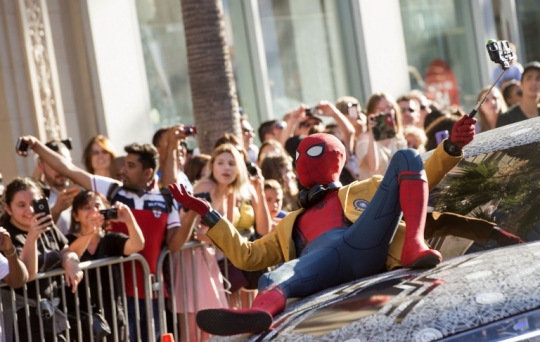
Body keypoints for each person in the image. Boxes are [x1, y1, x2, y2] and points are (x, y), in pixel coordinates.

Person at [169, 114, 477, 336]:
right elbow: (247, 255)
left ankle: (414, 245)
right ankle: (259, 312)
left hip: (365, 241)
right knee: (278, 275)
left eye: (312, 153)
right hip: (319, 264)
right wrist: (208, 213)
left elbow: (424, 172)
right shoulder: (290, 222)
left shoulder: (361, 189)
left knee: (407, 157)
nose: (304, 160)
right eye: (300, 154)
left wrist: (450, 147)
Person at [15, 136, 192, 342]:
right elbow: (69, 169)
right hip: (120, 295)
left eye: (131, 166)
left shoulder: (165, 199)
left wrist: (194, 214)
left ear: (147, 173)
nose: (122, 170)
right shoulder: (114, 189)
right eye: (124, 164)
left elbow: (174, 243)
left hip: (154, 291)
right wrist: (37, 145)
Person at [1, 177, 83, 341]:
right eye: (21, 205)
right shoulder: (6, 237)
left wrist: (71, 261)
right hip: (23, 319)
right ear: (7, 208)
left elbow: (65, 249)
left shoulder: (46, 224)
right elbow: (26, 276)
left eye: (34, 203)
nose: (30, 210)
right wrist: (32, 237)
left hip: (51, 312)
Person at [65, 190, 144, 342]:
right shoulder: (66, 240)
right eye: (86, 207)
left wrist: (129, 219)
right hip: (80, 317)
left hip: (112, 316)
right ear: (75, 215)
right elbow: (70, 254)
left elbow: (137, 245)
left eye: (97, 206)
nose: (94, 211)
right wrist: (89, 232)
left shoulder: (111, 239)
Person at [355, 92, 407, 181]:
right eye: (380, 110)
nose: (386, 112)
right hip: (373, 193)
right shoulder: (364, 138)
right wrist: (372, 132)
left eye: (389, 108)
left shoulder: (398, 138)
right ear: (371, 114)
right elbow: (372, 167)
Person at [38, 140, 80, 235]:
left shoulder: (85, 189)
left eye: (63, 162)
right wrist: (56, 210)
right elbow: (36, 234)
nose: (59, 169)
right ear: (41, 166)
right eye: (53, 164)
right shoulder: (37, 198)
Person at [496, 61, 540, 128]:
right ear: (521, 84)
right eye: (529, 78)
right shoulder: (507, 119)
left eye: (538, 78)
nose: (533, 83)